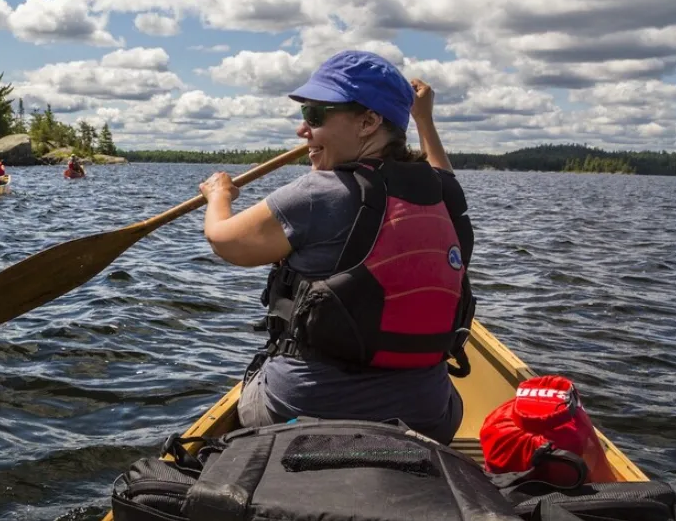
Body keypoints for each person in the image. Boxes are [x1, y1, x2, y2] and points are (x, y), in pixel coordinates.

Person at [198, 50, 474, 445]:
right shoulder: (441, 192)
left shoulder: (318, 192)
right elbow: (441, 170)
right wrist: (424, 119)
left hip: (304, 411)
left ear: (368, 122)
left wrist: (218, 195)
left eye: (315, 116)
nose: (302, 130)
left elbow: (225, 241)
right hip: (428, 418)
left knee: (259, 379)